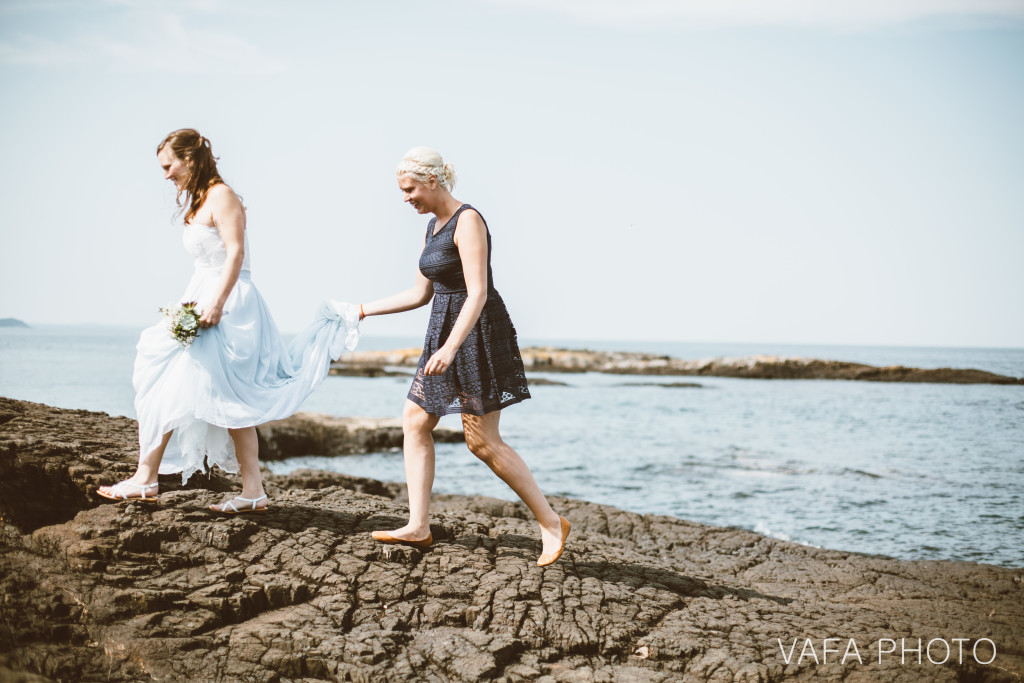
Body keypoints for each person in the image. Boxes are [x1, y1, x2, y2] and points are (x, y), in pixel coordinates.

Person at [97, 129, 359, 513]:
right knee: (197, 390)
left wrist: (216, 303)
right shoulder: (200, 199)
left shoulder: (222, 196)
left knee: (211, 393)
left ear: (189, 158)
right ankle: (233, 489)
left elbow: (235, 254)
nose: (166, 175)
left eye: (169, 165)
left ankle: (151, 479)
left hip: (229, 303)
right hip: (203, 295)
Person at [356, 147, 570, 566]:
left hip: (476, 335)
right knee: (415, 420)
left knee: (482, 441)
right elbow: (420, 294)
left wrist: (451, 348)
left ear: (432, 181)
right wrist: (362, 310)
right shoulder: (432, 229)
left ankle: (550, 522)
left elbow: (478, 293)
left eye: (410, 189)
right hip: (443, 331)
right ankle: (418, 526)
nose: (406, 198)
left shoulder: (467, 220)